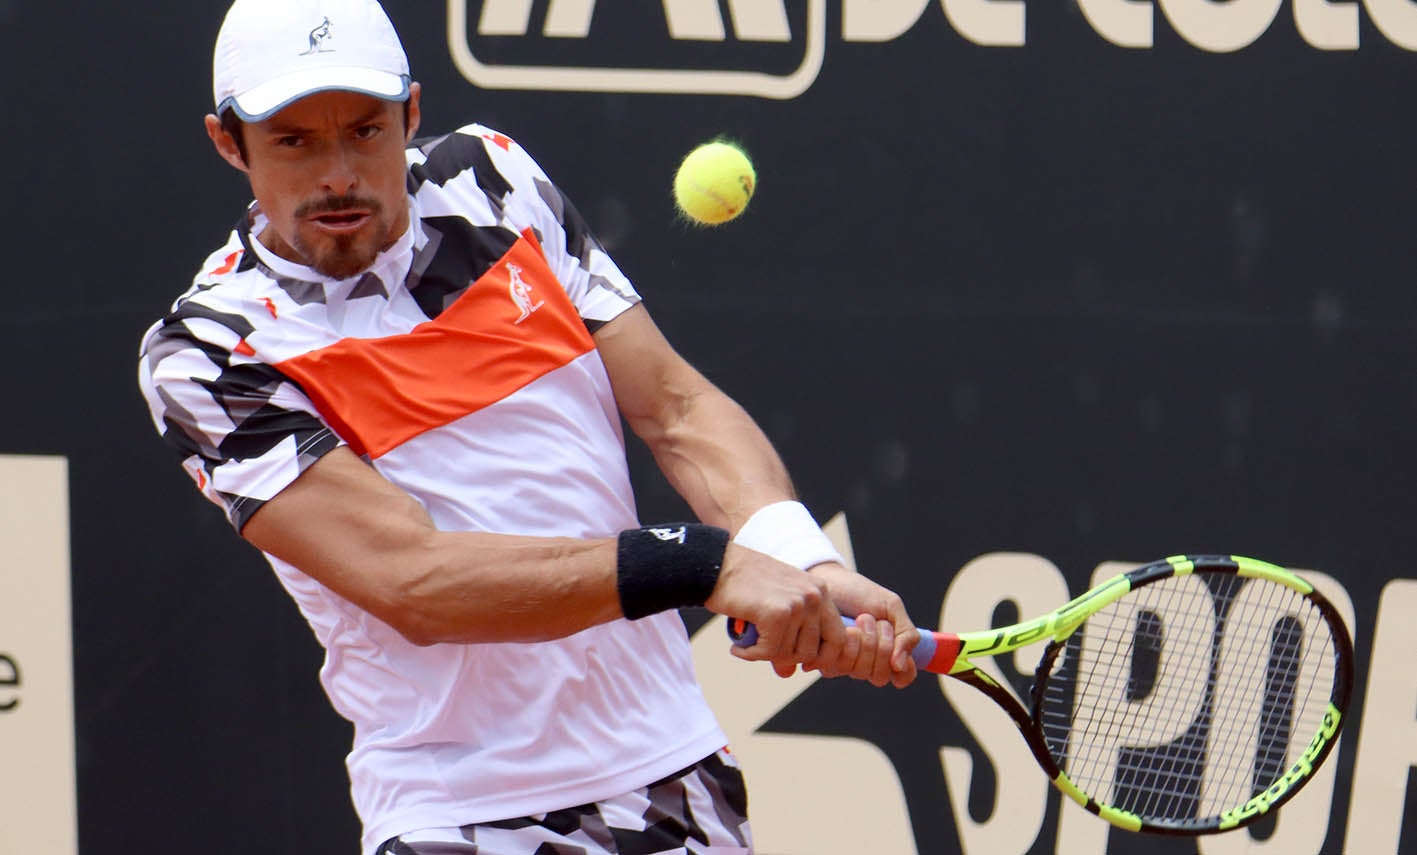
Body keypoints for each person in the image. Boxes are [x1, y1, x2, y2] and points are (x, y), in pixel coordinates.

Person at [137, 1, 920, 852]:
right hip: (461, 811)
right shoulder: (209, 352)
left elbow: (676, 407)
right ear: (229, 143)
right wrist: (706, 564)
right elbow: (416, 582)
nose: (337, 175)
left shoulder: (491, 180)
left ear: (413, 113)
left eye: (366, 132)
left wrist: (796, 555)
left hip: (674, 770)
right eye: (294, 141)